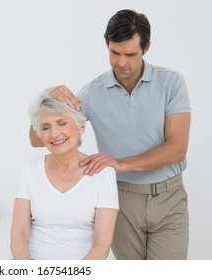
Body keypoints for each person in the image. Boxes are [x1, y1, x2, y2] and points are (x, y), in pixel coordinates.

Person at [30, 9, 191, 260]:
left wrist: (119, 163)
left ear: (146, 49)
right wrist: (46, 95)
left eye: (130, 54)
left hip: (168, 198)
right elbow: (38, 138)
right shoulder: (92, 92)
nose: (121, 62)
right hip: (121, 200)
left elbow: (177, 147)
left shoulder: (171, 83)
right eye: (115, 53)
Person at [12, 93, 118, 260]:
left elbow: (101, 244)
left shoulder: (103, 174)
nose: (54, 134)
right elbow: (19, 233)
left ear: (81, 127)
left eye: (62, 123)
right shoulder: (30, 169)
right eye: (46, 127)